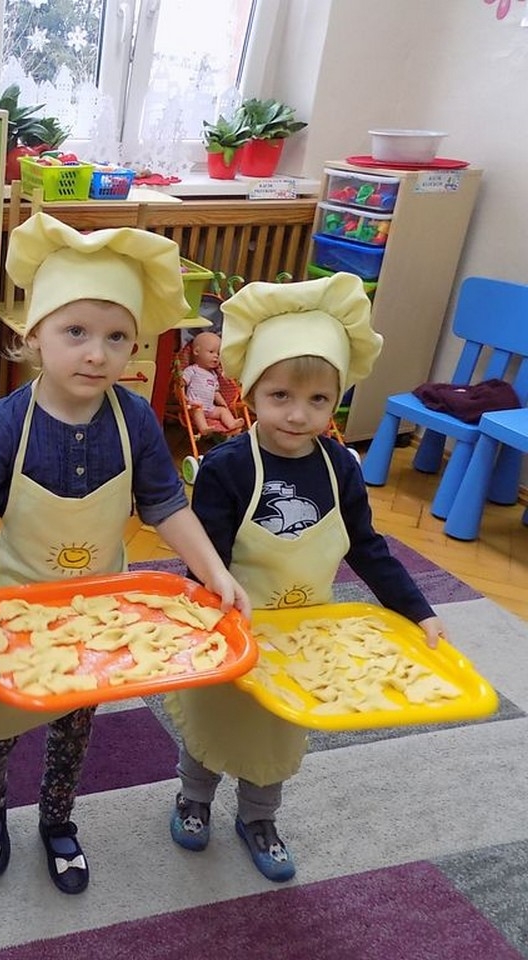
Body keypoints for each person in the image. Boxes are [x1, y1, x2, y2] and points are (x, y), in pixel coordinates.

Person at [0, 214, 250, 895]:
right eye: (75, 332)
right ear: (33, 335)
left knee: (75, 727)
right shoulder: (8, 422)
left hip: (100, 613)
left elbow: (165, 504)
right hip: (12, 611)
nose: (96, 354)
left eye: (115, 337)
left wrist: (213, 571)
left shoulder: (133, 420)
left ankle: (57, 819)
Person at [164, 272, 445, 883]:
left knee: (278, 733)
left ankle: (259, 818)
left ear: (337, 399)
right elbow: (204, 560)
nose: (298, 414)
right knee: (215, 721)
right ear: (250, 391)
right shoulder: (227, 468)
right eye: (281, 395)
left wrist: (417, 609)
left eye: (319, 400)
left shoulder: (341, 467)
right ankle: (194, 797)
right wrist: (211, 618)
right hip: (232, 625)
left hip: (305, 635)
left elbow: (368, 548)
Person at [182, 330, 244, 435]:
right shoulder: (192, 370)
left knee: (222, 411)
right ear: (196, 351)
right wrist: (183, 397)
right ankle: (204, 428)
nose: (216, 356)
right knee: (198, 409)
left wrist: (222, 403)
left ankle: (232, 424)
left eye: (218, 354)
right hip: (195, 406)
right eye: (211, 352)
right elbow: (181, 383)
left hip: (210, 408)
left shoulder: (213, 375)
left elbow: (215, 392)